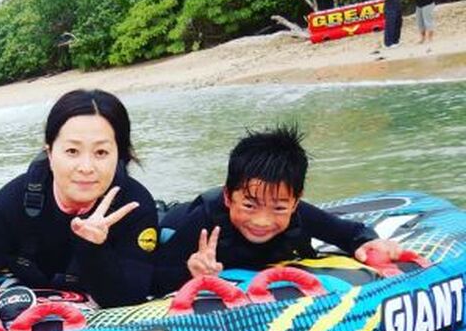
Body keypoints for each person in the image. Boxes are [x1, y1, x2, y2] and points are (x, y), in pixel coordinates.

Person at [0, 89, 158, 331]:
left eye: (101, 152)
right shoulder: (14, 199)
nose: (86, 167)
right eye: (72, 151)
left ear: (119, 155)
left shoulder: (135, 205)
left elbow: (129, 300)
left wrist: (93, 249)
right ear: (50, 153)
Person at [152, 126, 404, 294]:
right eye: (249, 205)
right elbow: (153, 278)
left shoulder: (298, 214)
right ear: (228, 197)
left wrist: (368, 242)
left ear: (295, 201)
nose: (262, 220)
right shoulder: (204, 223)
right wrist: (190, 271)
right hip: (172, 222)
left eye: (279, 207)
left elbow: (351, 233)